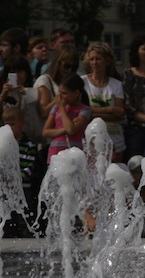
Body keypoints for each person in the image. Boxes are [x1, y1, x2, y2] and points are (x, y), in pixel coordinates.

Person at [82, 41, 126, 163]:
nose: (95, 62)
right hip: (90, 139)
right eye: (92, 59)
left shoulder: (116, 84)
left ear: (107, 61)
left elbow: (120, 114)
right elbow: (83, 111)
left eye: (98, 59)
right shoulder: (83, 83)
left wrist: (93, 113)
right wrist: (110, 109)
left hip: (115, 139)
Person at [1, 106, 37, 238]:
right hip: (4, 189)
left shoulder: (29, 145)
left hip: (23, 188)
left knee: (25, 217)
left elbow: (28, 168)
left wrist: (14, 179)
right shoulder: (2, 145)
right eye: (6, 124)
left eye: (13, 124)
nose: (9, 128)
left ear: (22, 123)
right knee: (6, 219)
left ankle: (28, 239)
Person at [42, 73, 91, 165]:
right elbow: (45, 132)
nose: (60, 97)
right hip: (55, 153)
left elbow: (71, 130)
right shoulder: (55, 108)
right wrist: (64, 130)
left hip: (73, 154)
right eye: (59, 93)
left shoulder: (84, 110)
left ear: (76, 93)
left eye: (64, 93)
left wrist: (61, 108)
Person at [34, 45, 79, 119]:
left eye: (73, 68)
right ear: (58, 63)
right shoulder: (44, 81)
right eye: (66, 66)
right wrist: (60, 98)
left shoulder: (72, 82)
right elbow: (44, 113)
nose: (70, 70)